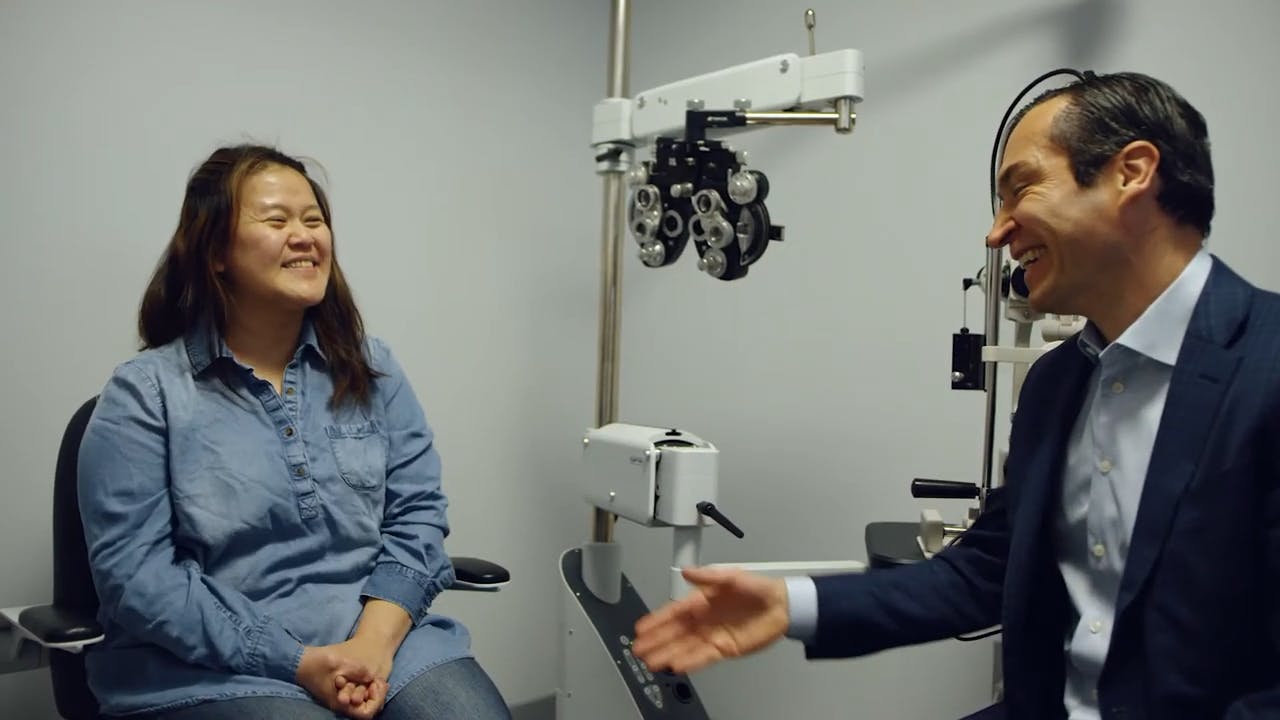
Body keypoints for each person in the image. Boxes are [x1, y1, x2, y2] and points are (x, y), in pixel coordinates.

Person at [632, 72, 1280, 719]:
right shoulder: (1057, 385)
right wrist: (791, 606)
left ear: (1131, 173)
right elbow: (987, 569)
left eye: (1019, 188)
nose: (996, 233)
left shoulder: (1266, 369)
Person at [78, 145, 512, 720]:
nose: (306, 236)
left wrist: (370, 649)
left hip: (377, 636)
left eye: (314, 220)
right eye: (277, 220)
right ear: (215, 252)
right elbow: (139, 581)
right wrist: (298, 660)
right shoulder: (146, 393)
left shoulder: (371, 368)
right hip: (212, 666)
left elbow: (418, 516)